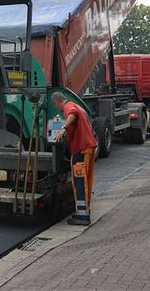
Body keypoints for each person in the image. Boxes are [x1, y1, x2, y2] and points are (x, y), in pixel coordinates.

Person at [52, 91, 98, 225]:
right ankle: (85, 211)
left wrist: (63, 129)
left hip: (81, 149)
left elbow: (72, 114)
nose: (58, 109)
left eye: (56, 106)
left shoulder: (68, 108)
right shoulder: (78, 106)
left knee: (79, 181)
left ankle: (82, 217)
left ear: (57, 102)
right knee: (86, 181)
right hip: (88, 148)